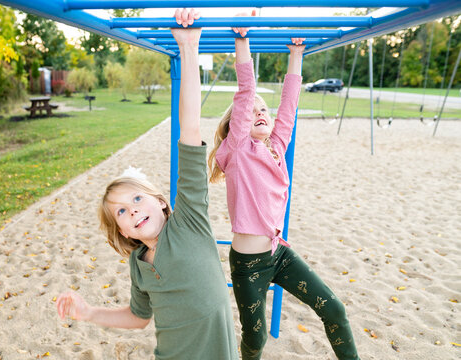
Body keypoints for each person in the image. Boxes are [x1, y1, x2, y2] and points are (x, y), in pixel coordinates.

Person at [56, 9, 239, 360]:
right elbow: (139, 318)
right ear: (123, 231)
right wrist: (89, 312)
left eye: (137, 198)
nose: (133, 209)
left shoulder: (189, 223)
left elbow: (190, 130)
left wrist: (189, 47)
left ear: (161, 201)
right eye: (122, 211)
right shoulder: (138, 264)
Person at [207, 10, 360, 360]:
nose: (261, 111)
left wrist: (296, 55)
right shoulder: (236, 152)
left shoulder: (276, 148)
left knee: (334, 309)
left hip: (279, 254)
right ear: (238, 125)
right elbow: (246, 95)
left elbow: (288, 106)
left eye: (266, 110)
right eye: (254, 111)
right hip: (248, 265)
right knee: (255, 340)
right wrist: (242, 41)